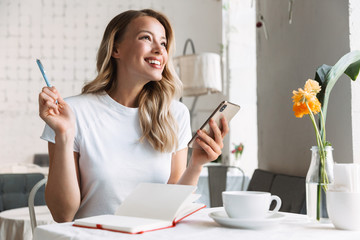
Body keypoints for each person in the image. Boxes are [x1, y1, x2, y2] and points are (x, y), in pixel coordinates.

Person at [38, 9, 229, 223]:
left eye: (163, 43)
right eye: (146, 38)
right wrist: (64, 135)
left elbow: (172, 206)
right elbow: (62, 214)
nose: (159, 50)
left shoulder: (176, 114)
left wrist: (196, 165)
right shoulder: (71, 113)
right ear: (116, 49)